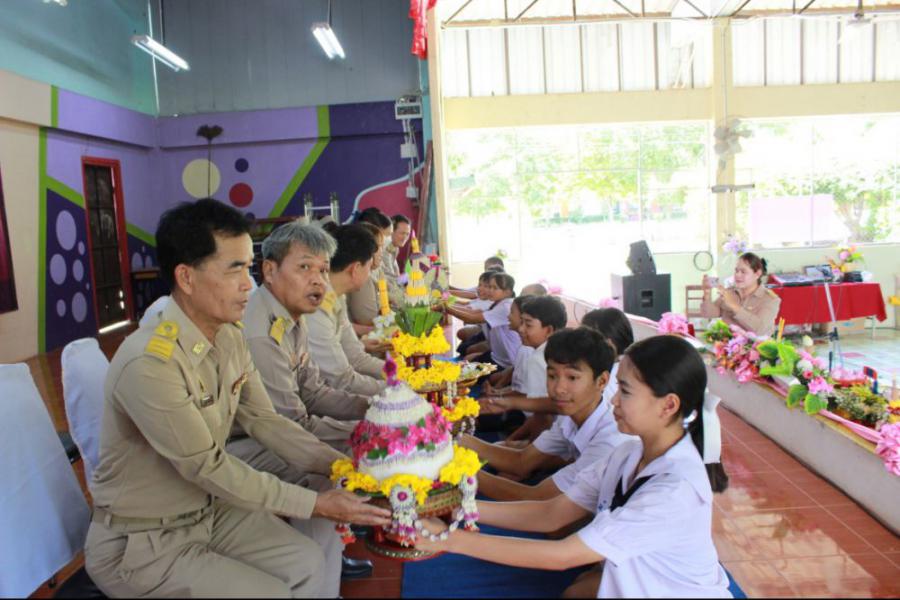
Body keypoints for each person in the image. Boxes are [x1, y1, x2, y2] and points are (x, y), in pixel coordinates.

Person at [84, 199, 390, 598]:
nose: (249, 284)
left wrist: (342, 466)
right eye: (235, 270)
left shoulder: (228, 335)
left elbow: (266, 421)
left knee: (308, 563)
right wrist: (316, 504)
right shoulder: (151, 363)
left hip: (208, 511)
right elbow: (208, 467)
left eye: (248, 268)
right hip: (145, 540)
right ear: (186, 277)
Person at [418, 335, 731, 599]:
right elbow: (550, 513)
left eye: (625, 391)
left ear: (669, 405)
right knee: (578, 589)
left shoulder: (673, 492)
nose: (614, 401)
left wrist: (449, 539)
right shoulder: (628, 453)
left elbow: (562, 555)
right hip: (642, 582)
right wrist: (456, 507)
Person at [230, 219, 375, 589]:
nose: (318, 281)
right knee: (323, 475)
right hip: (239, 443)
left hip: (273, 430)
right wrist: (363, 430)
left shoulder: (292, 316)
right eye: (304, 267)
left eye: (323, 270)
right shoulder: (261, 330)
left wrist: (372, 409)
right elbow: (291, 422)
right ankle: (321, 577)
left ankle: (328, 564)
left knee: (354, 444)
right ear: (269, 271)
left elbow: (313, 392)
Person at [461, 326, 631, 502]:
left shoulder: (608, 441)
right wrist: (459, 440)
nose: (558, 388)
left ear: (602, 381)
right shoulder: (569, 418)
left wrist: (457, 468)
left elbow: (537, 498)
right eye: (552, 376)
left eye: (572, 378)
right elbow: (522, 462)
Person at [306, 224, 388, 397]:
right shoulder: (315, 309)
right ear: (355, 269)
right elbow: (342, 380)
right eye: (369, 267)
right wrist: (394, 388)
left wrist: (403, 374)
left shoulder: (337, 296)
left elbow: (356, 358)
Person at [700, 252, 781, 337]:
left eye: (743, 272)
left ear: (757, 274)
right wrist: (707, 294)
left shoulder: (770, 299)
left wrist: (734, 306)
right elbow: (708, 314)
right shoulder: (730, 292)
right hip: (726, 342)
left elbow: (760, 330)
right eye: (736, 271)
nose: (737, 275)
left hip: (753, 344)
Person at [347, 221, 387, 331]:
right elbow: (367, 319)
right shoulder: (363, 278)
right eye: (379, 247)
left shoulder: (371, 272)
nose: (382, 252)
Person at [383, 214, 411, 295]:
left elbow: (396, 278)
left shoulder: (395, 248)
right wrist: (409, 277)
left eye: (407, 234)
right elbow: (391, 282)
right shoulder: (385, 247)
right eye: (402, 233)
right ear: (391, 231)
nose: (405, 237)